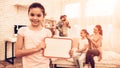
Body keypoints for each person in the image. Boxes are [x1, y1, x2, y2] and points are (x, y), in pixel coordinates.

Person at [15, 2, 52, 68]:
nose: (35, 18)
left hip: (44, 66)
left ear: (43, 16)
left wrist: (66, 52)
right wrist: (37, 49)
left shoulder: (48, 32)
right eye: (32, 15)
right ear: (28, 15)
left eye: (38, 15)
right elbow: (17, 54)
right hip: (28, 66)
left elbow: (51, 52)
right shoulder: (22, 30)